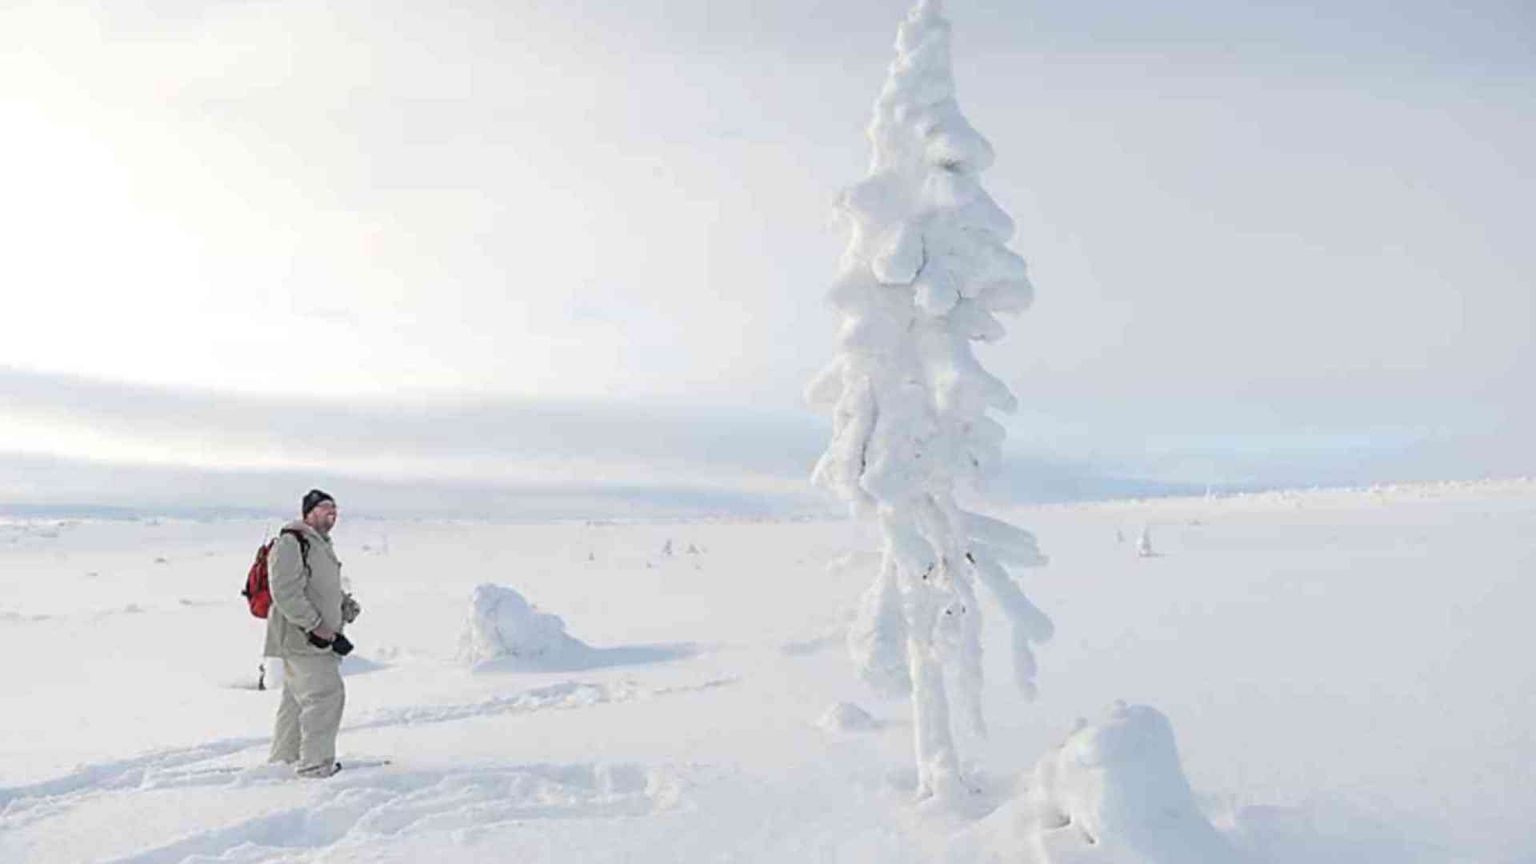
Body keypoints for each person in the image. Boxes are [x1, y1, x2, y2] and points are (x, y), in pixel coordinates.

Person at [264, 489, 361, 778]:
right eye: (325, 507)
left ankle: (285, 761)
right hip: (304, 638)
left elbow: (316, 586)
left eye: (335, 507)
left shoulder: (319, 543)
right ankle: (315, 766)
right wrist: (315, 625)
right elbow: (285, 592)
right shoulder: (291, 542)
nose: (332, 512)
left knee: (296, 701)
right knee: (325, 695)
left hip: (317, 636)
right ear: (308, 513)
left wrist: (342, 604)